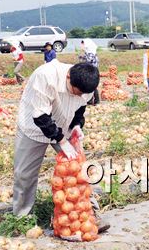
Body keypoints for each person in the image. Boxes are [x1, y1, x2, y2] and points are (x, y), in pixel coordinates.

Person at [12, 60, 109, 232]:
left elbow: (80, 110)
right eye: (76, 92)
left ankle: (89, 215)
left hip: (64, 125)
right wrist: (62, 141)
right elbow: (40, 116)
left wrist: (78, 125)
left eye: (83, 94)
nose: (79, 96)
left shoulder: (85, 87)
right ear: (68, 77)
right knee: (24, 174)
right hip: (33, 127)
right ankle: (22, 218)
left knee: (79, 170)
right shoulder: (46, 76)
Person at [79, 39, 100, 105]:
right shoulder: (88, 52)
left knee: (92, 85)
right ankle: (91, 100)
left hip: (92, 71)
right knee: (90, 85)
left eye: (83, 44)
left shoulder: (91, 53)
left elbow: (89, 60)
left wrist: (82, 57)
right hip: (90, 70)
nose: (82, 45)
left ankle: (96, 100)